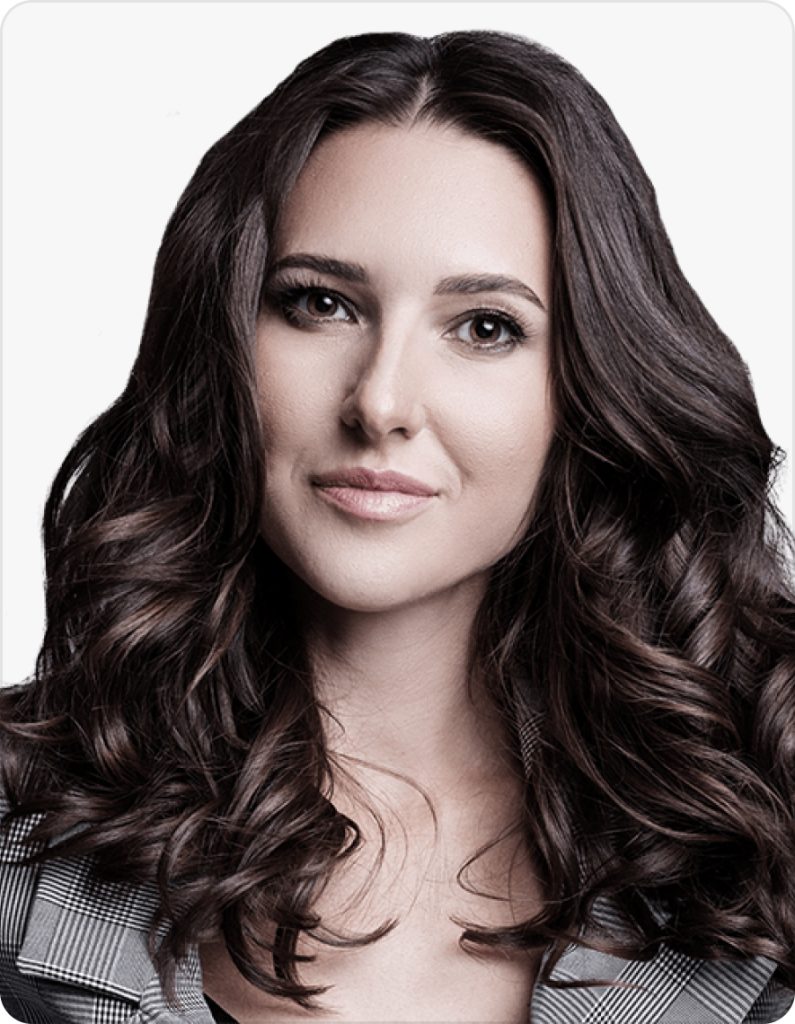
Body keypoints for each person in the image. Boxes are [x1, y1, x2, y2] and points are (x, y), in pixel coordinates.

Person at [1, 28, 793, 1024]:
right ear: (222, 341)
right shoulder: (23, 826)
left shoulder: (748, 833)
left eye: (485, 327)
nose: (380, 402)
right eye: (319, 304)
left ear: (592, 387)